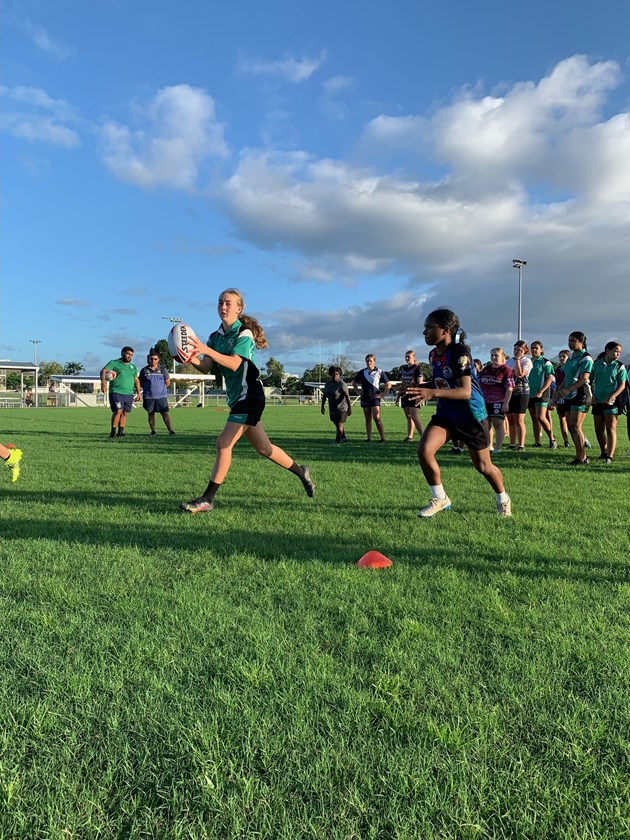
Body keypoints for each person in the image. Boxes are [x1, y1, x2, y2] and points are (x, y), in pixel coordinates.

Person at [180, 288, 314, 513]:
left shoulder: (244, 333)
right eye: (220, 302)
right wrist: (187, 356)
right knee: (265, 449)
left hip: (250, 396)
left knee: (223, 443)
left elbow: (235, 363)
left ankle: (207, 499)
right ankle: (302, 472)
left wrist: (205, 349)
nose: (223, 306)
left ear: (239, 309)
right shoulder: (215, 337)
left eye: (228, 303)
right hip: (238, 399)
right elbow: (205, 367)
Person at [404, 308, 511, 517]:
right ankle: (440, 498)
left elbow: (465, 391)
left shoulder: (460, 352)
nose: (424, 332)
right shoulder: (433, 354)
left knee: (483, 466)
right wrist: (416, 388)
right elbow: (440, 382)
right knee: (424, 450)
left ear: (445, 330)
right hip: (446, 414)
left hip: (471, 416)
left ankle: (503, 499)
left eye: (429, 327)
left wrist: (431, 393)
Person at [554, 331, 594, 465]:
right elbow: (567, 377)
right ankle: (579, 456)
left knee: (575, 426)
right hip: (570, 394)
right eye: (569, 340)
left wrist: (568, 389)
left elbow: (584, 379)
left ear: (581, 343)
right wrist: (559, 390)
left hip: (581, 394)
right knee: (571, 427)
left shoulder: (586, 358)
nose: (570, 343)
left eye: (573, 341)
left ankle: (582, 458)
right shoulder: (571, 357)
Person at [591, 341, 628, 463]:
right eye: (616, 351)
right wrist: (591, 396)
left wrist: (612, 397)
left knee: (610, 429)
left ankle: (609, 456)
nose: (618, 354)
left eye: (619, 352)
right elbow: (588, 381)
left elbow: (622, 385)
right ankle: (604, 452)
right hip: (597, 401)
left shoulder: (619, 366)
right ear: (607, 351)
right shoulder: (596, 364)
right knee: (598, 430)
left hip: (612, 403)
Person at [477, 348, 514, 454]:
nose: (493, 357)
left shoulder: (506, 370)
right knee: (486, 425)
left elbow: (510, 388)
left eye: (496, 355)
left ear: (502, 357)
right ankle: (489, 446)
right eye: (492, 355)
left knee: (497, 424)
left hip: (498, 401)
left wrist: (506, 403)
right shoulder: (486, 368)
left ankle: (498, 448)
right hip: (484, 401)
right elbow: (479, 383)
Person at [101, 346, 141, 438]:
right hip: (116, 392)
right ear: (122, 353)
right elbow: (103, 371)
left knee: (124, 412)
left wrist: (139, 393)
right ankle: (113, 433)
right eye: (128, 354)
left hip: (128, 393)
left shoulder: (133, 367)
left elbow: (136, 380)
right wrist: (103, 383)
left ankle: (121, 433)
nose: (129, 356)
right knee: (118, 411)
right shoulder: (114, 363)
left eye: (131, 355)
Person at [352, 354, 391, 442]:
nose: (369, 363)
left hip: (375, 398)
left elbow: (388, 384)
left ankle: (382, 438)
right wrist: (358, 392)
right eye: (367, 361)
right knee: (367, 418)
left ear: (374, 362)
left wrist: (382, 395)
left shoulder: (379, 372)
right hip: (365, 398)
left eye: (371, 361)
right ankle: (369, 438)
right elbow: (354, 382)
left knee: (377, 418)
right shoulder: (362, 372)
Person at [527, 341, 557, 448]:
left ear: (541, 349)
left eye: (536, 348)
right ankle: (537, 442)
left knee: (541, 417)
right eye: (532, 348)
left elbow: (550, 378)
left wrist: (541, 391)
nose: (534, 350)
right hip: (529, 393)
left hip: (542, 394)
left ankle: (552, 439)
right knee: (534, 418)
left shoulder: (546, 362)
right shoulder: (528, 362)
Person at [139, 350, 175, 436]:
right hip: (149, 397)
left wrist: (160, 389)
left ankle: (171, 431)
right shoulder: (144, 370)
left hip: (161, 397)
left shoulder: (162, 369)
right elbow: (140, 382)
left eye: (155, 359)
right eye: (151, 359)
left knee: (165, 413)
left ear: (158, 360)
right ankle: (153, 431)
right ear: (149, 359)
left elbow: (167, 382)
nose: (153, 360)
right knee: (151, 414)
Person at [505, 340, 532, 450]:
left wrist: (517, 360)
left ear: (524, 351)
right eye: (515, 349)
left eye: (519, 349)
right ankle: (512, 444)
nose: (516, 351)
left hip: (522, 391)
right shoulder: (509, 361)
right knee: (510, 418)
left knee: (519, 419)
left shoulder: (527, 361)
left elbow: (519, 374)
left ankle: (521, 445)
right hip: (510, 391)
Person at [396, 350, 424, 442]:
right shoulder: (404, 368)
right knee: (408, 416)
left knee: (415, 417)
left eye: (409, 356)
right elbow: (403, 383)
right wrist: (398, 396)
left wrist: (410, 386)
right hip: (405, 395)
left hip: (414, 395)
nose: (407, 358)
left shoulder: (417, 368)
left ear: (414, 357)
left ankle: (424, 437)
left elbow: (419, 383)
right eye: (406, 356)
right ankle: (410, 436)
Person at [321, 365, 352, 443]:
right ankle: (343, 437)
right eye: (333, 374)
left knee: (340, 424)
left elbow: (347, 397)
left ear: (340, 375)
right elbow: (324, 395)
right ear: (330, 374)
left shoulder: (342, 384)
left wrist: (349, 408)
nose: (335, 376)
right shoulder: (328, 384)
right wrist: (322, 406)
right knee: (337, 424)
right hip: (332, 408)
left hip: (342, 409)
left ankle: (337, 440)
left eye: (337, 374)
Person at [551, 349, 572, 447]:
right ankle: (566, 441)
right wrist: (554, 397)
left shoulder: (571, 367)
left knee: (571, 421)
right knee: (562, 419)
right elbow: (556, 384)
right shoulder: (558, 369)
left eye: (564, 356)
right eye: (560, 356)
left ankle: (582, 439)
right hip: (560, 396)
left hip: (570, 396)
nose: (561, 358)